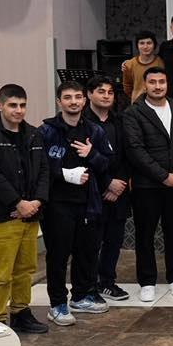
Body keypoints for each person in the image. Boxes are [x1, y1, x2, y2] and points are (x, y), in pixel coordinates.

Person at [0, 84, 49, 333]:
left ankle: (20, 312)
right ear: (0, 106)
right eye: (13, 105)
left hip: (31, 213)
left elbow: (44, 170)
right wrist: (17, 202)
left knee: (25, 269)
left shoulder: (34, 134)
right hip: (4, 214)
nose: (19, 110)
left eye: (22, 105)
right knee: (1, 272)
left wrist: (36, 201)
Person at [39, 81, 112, 325]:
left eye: (78, 97)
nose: (73, 102)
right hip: (57, 204)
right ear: (59, 101)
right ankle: (57, 304)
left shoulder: (94, 131)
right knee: (58, 255)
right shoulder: (46, 131)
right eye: (68, 97)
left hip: (88, 203)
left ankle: (81, 296)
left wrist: (92, 154)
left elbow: (107, 165)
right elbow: (39, 168)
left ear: (84, 100)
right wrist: (64, 174)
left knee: (87, 252)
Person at [123, 67, 173, 302]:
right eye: (153, 82)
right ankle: (147, 281)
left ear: (167, 84)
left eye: (162, 81)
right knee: (145, 235)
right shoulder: (133, 113)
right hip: (147, 186)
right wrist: (163, 176)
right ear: (145, 84)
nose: (158, 86)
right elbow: (135, 150)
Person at [84, 76, 131, 302]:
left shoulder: (119, 120)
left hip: (119, 190)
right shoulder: (82, 122)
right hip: (93, 191)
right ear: (89, 94)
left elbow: (128, 154)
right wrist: (107, 183)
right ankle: (89, 286)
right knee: (91, 242)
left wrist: (119, 182)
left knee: (114, 240)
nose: (106, 96)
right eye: (101, 91)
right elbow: (83, 158)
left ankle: (107, 282)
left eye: (110, 92)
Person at [122, 31, 165, 102]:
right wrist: (137, 97)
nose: (145, 47)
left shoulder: (161, 62)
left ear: (154, 45)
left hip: (158, 102)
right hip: (137, 104)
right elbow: (127, 87)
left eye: (149, 43)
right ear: (137, 46)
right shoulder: (129, 64)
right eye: (142, 43)